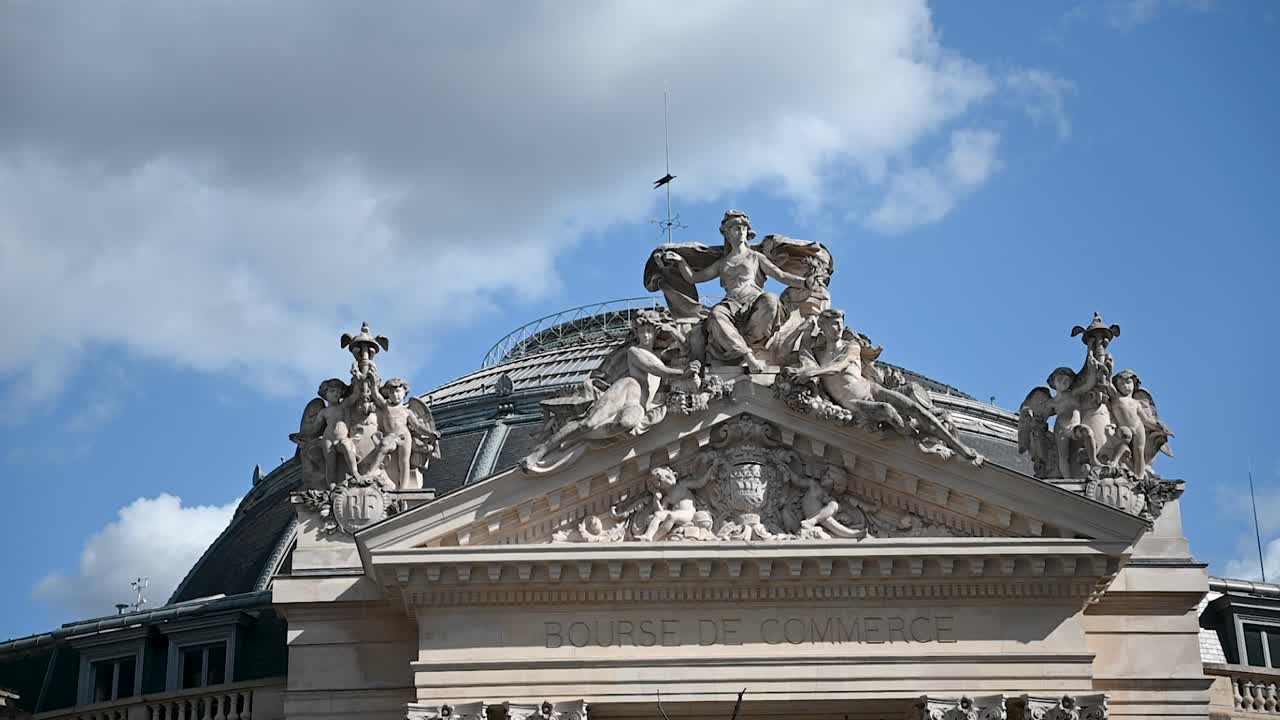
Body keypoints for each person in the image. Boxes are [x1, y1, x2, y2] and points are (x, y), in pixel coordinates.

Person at [787, 308, 981, 463]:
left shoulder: (851, 346)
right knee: (886, 410)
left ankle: (959, 447)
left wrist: (813, 372)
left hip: (870, 388)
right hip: (854, 401)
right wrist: (805, 331)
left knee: (916, 408)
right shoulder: (819, 355)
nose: (838, 328)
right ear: (823, 326)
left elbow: (841, 365)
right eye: (834, 324)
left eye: (840, 324)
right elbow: (804, 351)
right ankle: (912, 436)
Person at [522, 310, 699, 473]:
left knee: (626, 424)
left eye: (649, 331)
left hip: (639, 404)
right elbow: (660, 371)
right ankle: (541, 450)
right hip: (627, 388)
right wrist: (685, 373)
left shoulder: (661, 355)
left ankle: (575, 438)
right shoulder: (634, 352)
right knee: (588, 423)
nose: (645, 335)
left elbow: (686, 351)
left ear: (655, 333)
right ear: (636, 333)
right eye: (642, 331)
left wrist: (673, 330)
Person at [659, 210, 818, 372]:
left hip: (754, 300)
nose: (741, 231)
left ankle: (750, 343)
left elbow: (781, 275)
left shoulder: (755, 257)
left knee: (771, 300)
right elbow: (694, 278)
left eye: (743, 228)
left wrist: (805, 282)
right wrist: (680, 261)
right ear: (727, 233)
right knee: (715, 314)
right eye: (735, 228)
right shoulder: (723, 263)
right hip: (731, 303)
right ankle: (748, 356)